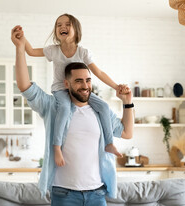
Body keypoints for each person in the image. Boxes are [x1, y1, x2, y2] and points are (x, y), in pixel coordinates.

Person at [12, 25, 134, 206]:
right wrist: (20, 48)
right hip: (64, 195)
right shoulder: (53, 107)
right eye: (79, 81)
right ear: (66, 84)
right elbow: (25, 86)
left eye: (88, 81)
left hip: (97, 196)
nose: (85, 86)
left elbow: (126, 133)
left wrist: (128, 103)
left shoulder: (99, 111)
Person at [16, 13, 128, 168]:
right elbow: (31, 51)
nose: (63, 27)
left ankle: (109, 143)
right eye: (59, 25)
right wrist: (22, 39)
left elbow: (99, 73)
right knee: (64, 108)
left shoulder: (83, 52)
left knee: (103, 106)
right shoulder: (54, 50)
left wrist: (116, 87)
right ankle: (56, 147)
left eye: (67, 24)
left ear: (76, 29)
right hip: (61, 90)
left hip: (80, 91)